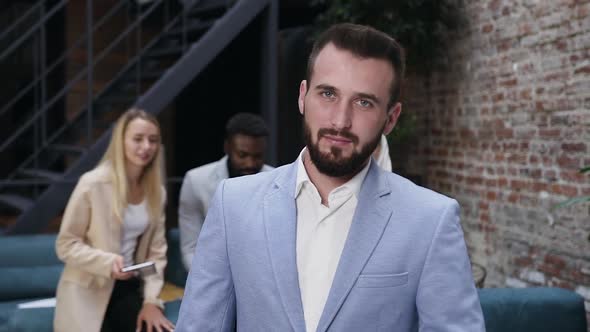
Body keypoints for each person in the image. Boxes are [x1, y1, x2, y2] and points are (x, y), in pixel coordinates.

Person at [176, 23, 484, 331]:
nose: (340, 120)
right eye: (327, 94)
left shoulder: (431, 220)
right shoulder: (234, 203)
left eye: (364, 102)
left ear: (391, 118)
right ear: (302, 97)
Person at [54, 109, 174, 332]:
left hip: (128, 287)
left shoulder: (157, 192)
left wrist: (151, 301)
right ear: (121, 141)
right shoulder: (92, 184)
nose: (146, 146)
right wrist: (107, 263)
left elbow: (155, 256)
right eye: (138, 139)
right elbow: (65, 245)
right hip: (88, 289)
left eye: (153, 140)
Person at [178, 112, 274, 270]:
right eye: (242, 155)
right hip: (211, 274)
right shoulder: (196, 181)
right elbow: (190, 248)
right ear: (227, 147)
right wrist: (208, 283)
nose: (250, 163)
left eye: (258, 156)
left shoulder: (277, 182)